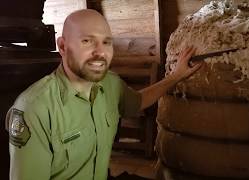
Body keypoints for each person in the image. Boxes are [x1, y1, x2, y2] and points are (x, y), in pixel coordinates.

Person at [5, 9, 202, 180]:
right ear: (63, 47)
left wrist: (176, 76)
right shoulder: (34, 108)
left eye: (106, 42)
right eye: (87, 41)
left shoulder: (111, 84)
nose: (101, 52)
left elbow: (139, 101)